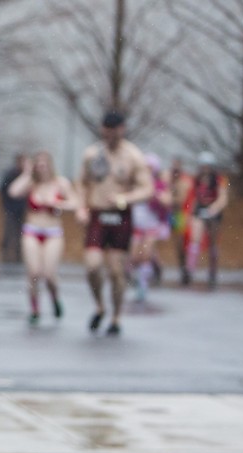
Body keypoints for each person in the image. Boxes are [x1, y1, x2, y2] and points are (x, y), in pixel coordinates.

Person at [75, 110, 153, 336]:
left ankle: (116, 316)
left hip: (120, 217)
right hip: (98, 214)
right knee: (92, 265)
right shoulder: (92, 154)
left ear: (122, 129)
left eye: (113, 130)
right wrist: (81, 207)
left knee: (117, 271)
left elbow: (147, 189)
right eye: (105, 130)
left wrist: (125, 198)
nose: (109, 134)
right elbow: (81, 183)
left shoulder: (133, 156)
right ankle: (100, 305)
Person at [6, 151, 80, 324]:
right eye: (38, 164)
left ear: (50, 164)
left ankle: (55, 298)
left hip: (53, 232)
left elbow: (75, 203)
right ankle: (35, 309)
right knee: (33, 272)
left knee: (48, 274)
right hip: (32, 230)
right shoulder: (32, 184)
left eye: (44, 163)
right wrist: (26, 173)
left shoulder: (60, 183)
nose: (42, 167)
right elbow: (13, 192)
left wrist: (56, 203)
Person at [128, 153, 171, 303]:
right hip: (137, 225)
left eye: (150, 167)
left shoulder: (158, 184)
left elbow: (167, 201)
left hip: (152, 225)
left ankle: (143, 287)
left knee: (145, 254)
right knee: (134, 256)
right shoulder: (135, 183)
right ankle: (150, 272)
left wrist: (155, 194)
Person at [183, 151, 229, 289]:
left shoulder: (219, 179)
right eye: (203, 166)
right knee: (194, 240)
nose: (205, 169)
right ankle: (189, 270)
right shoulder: (197, 180)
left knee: (213, 244)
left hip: (213, 211)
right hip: (200, 210)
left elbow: (223, 197)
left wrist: (214, 208)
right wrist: (190, 214)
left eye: (207, 166)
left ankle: (212, 272)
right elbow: (194, 198)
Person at [167, 157, 195, 284]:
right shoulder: (170, 180)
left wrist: (167, 198)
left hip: (180, 215)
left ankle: (185, 269)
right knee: (177, 244)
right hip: (171, 214)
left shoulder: (184, 181)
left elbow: (181, 200)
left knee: (181, 244)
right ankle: (183, 269)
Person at [0, 153, 28, 264]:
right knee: (9, 231)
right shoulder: (11, 174)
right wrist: (6, 204)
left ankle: (18, 254)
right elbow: (4, 190)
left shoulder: (24, 175)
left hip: (21, 208)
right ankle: (6, 253)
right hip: (11, 208)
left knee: (20, 232)